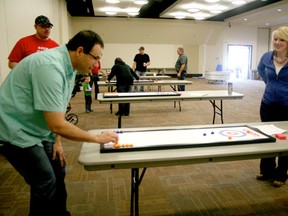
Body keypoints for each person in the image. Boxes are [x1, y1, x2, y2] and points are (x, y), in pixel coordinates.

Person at [0, 30, 119, 216]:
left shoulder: (70, 68)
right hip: (15, 130)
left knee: (59, 170)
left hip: (40, 128)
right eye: (95, 58)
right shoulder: (49, 66)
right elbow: (57, 124)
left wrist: (57, 141)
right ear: (80, 51)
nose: (96, 65)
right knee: (45, 180)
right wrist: (96, 138)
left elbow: (59, 109)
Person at [256, 26, 288, 188]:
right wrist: (271, 86)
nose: (277, 42)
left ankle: (281, 174)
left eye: (282, 39)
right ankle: (266, 170)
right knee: (267, 137)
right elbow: (261, 70)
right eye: (275, 39)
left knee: (285, 141)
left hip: (286, 106)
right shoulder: (267, 57)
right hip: (267, 104)